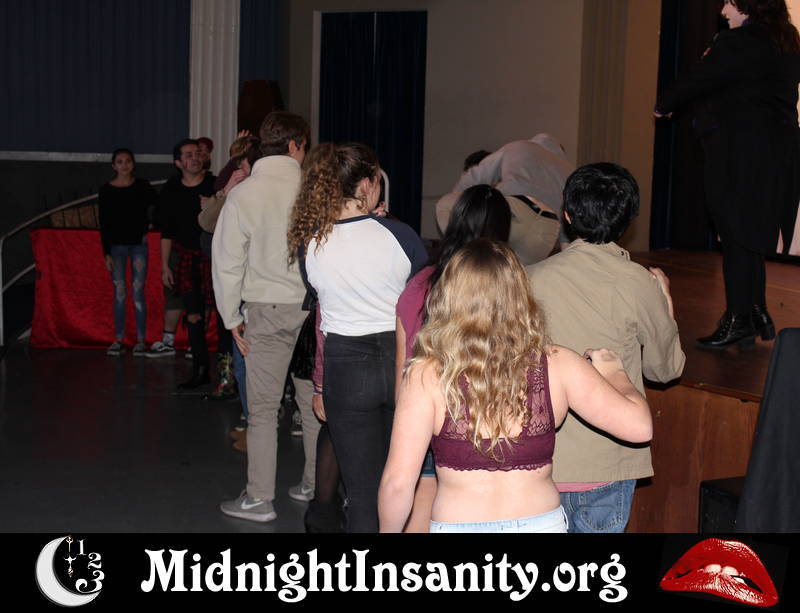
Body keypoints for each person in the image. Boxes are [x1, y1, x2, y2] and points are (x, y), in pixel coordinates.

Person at [378, 239, 653, 533]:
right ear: (521, 296)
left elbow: (398, 484)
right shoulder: (558, 365)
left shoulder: (426, 375)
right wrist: (615, 373)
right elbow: (640, 428)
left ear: (448, 299)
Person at [529, 162, 685, 533]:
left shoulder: (528, 277)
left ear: (567, 215)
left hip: (538, 459)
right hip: (606, 463)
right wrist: (665, 304)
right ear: (628, 220)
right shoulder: (637, 282)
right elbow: (665, 369)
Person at [289, 142, 427, 533]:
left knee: (363, 493)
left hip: (345, 363)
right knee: (399, 484)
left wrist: (319, 384)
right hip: (400, 361)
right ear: (366, 185)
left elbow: (322, 314)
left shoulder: (311, 243)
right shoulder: (400, 235)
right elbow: (422, 304)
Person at [655, 0, 800, 349]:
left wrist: (663, 105)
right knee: (749, 232)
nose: (722, 10)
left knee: (735, 234)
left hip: (740, 153)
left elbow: (701, 79)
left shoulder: (738, 42)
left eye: (729, 2)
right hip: (778, 151)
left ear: (748, 5)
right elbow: (744, 86)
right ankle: (755, 311)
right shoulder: (786, 39)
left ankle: (738, 319)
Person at [213, 111, 320, 523]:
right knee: (313, 406)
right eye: (304, 146)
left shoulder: (245, 194)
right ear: (294, 144)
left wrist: (230, 317)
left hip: (266, 311)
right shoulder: (314, 190)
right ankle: (314, 486)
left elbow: (227, 262)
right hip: (312, 311)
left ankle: (259, 499)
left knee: (262, 411)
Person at [395, 184, 511, 532]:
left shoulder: (420, 284)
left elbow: (403, 372)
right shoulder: (506, 289)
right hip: (490, 425)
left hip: (427, 417)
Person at [159, 139, 216, 388]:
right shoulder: (171, 190)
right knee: (193, 316)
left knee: (223, 316)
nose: (195, 158)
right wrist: (164, 265)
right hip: (187, 260)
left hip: (215, 259)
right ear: (178, 162)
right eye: (188, 154)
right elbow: (166, 232)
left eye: (197, 153)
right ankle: (200, 370)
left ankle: (229, 374)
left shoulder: (215, 185)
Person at [452, 133, 574, 246]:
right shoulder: (569, 169)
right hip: (550, 228)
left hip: (512, 210)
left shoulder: (518, 147)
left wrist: (455, 200)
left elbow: (475, 176)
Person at [98, 148, 158, 356]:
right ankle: (118, 339)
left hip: (138, 245)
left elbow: (158, 206)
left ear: (133, 164)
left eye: (128, 161)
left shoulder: (142, 186)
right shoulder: (106, 190)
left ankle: (141, 340)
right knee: (120, 294)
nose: (124, 165)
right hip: (116, 248)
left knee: (138, 293)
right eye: (120, 161)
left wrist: (152, 223)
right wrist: (106, 252)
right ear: (114, 165)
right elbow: (104, 223)